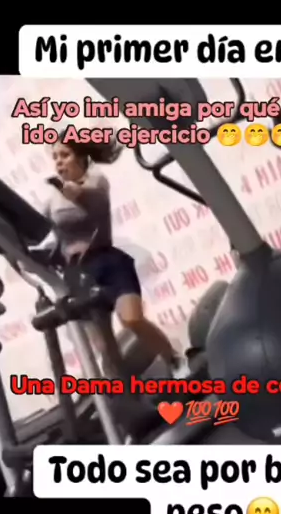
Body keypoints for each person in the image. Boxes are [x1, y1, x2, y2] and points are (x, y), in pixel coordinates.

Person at [42, 131, 180, 374]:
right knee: (104, 346)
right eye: (55, 157)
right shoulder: (51, 202)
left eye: (65, 155)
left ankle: (174, 360)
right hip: (79, 273)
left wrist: (62, 186)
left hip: (109, 264)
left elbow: (81, 195)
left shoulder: (96, 181)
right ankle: (123, 392)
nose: (59, 162)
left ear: (81, 157)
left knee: (132, 319)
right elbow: (41, 231)